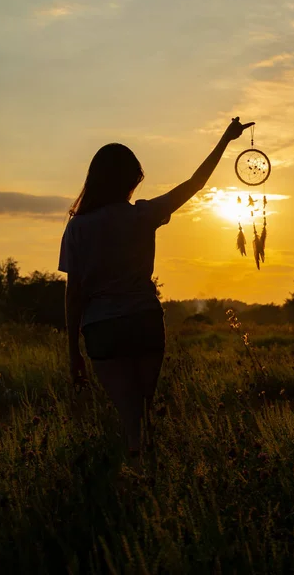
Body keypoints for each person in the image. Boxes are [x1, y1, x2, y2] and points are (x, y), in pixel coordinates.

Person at [57, 116, 253, 473]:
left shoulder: (78, 228)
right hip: (145, 322)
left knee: (130, 415)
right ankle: (149, 484)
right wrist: (226, 138)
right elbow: (195, 184)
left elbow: (75, 297)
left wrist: (73, 354)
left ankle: (139, 482)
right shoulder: (144, 215)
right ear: (130, 180)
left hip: (102, 329)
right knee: (144, 411)